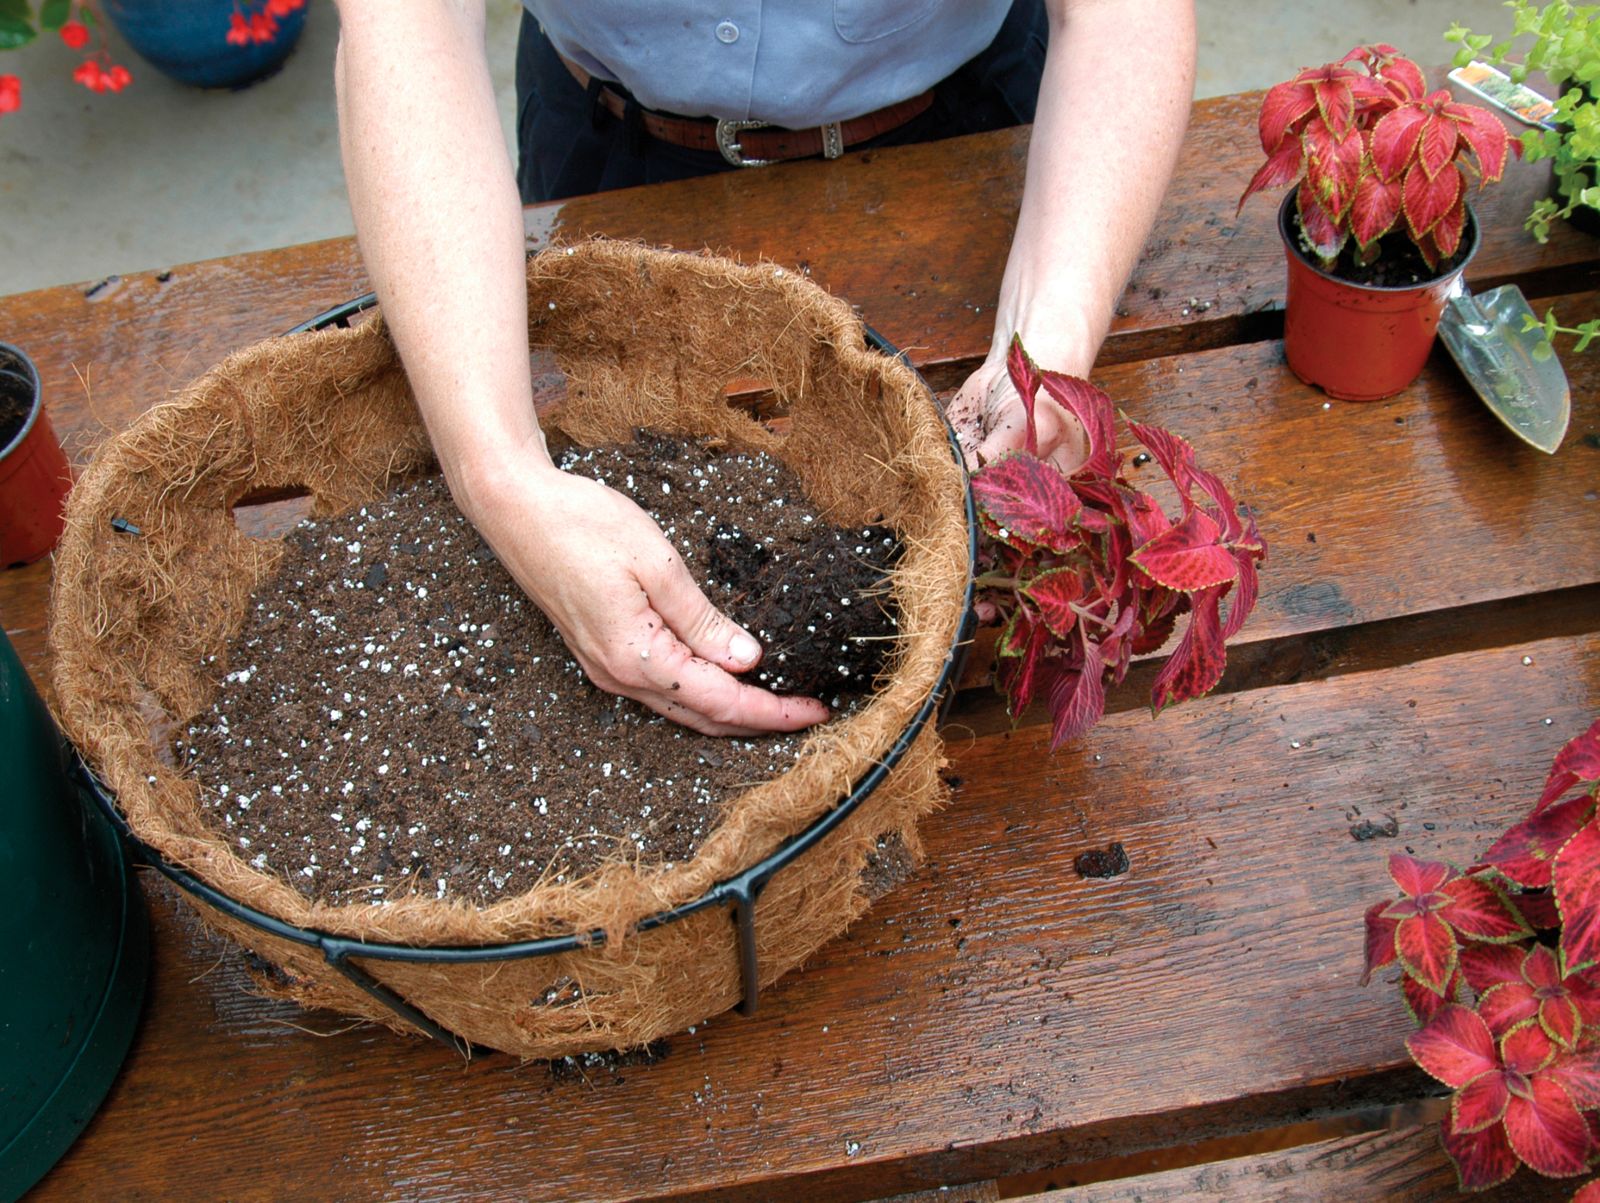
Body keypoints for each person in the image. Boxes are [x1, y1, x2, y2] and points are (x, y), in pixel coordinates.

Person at [329, 0, 1195, 738]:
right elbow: (407, 27)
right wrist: (502, 477)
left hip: (969, 144)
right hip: (603, 139)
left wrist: (1041, 358)